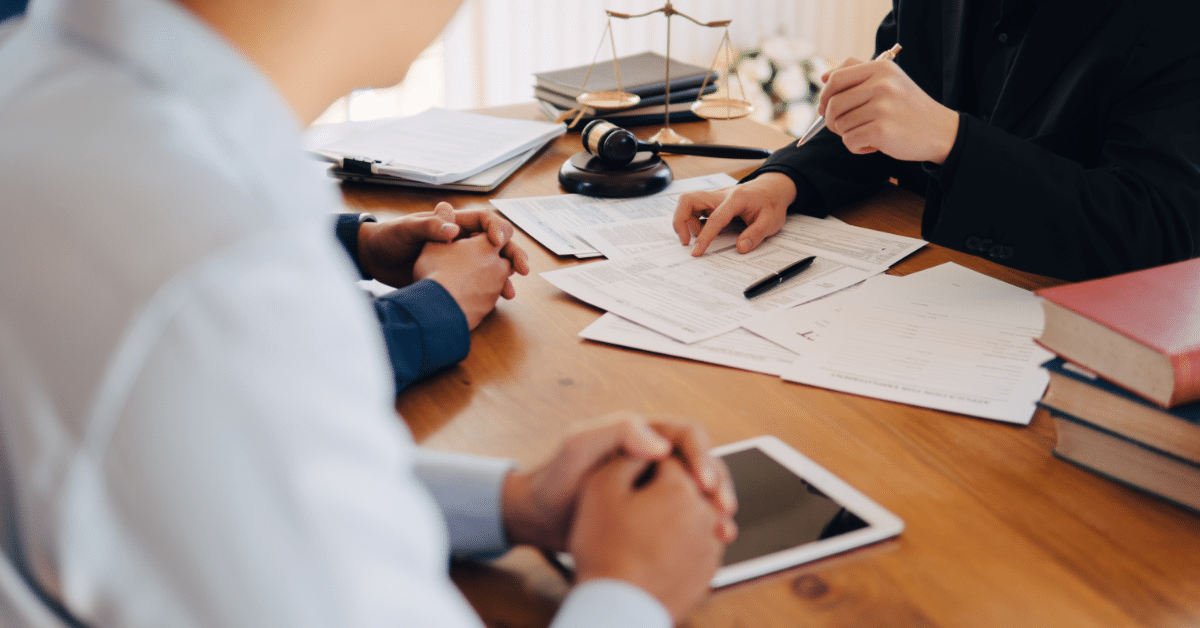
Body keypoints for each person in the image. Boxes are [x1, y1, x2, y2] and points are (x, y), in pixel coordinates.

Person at [0, 2, 738, 628]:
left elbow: (198, 483)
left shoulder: (42, 92)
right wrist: (629, 591)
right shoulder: (214, 277)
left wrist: (509, 502)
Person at [673, 0, 1200, 282]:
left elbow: (1160, 231)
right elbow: (890, 95)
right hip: (924, 286)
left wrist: (951, 140)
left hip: (1076, 332)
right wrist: (785, 179)